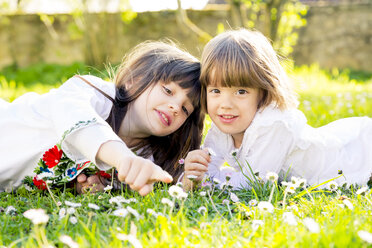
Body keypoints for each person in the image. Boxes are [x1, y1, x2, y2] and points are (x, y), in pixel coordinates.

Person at [0, 41, 204, 196]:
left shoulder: (146, 158)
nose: (176, 107)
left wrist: (88, 187)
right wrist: (124, 159)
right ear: (135, 80)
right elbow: (81, 125)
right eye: (168, 90)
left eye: (186, 109)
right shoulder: (93, 93)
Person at [182, 29, 372, 190]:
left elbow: (251, 183)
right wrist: (193, 173)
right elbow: (208, 169)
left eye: (241, 91)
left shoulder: (274, 124)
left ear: (264, 93)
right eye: (216, 90)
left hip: (354, 159)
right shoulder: (224, 124)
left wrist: (205, 181)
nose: (225, 104)